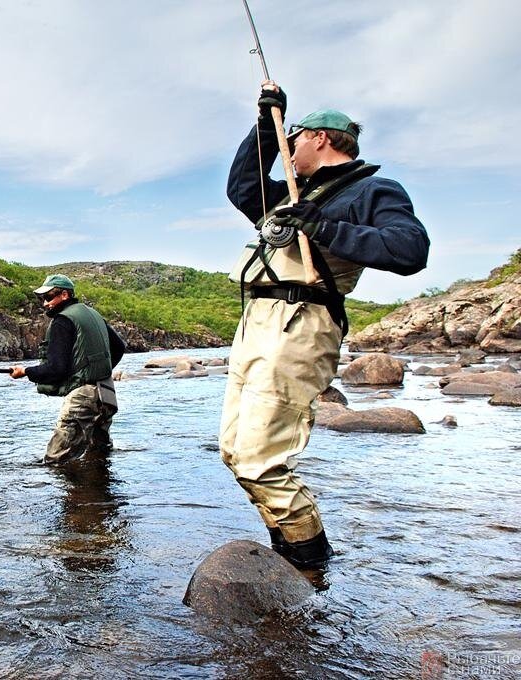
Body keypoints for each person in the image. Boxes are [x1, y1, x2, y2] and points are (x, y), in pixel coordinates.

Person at [221, 81, 430, 569]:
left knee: (258, 460)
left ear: (320, 138)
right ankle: (295, 555)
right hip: (256, 323)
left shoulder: (372, 189)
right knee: (234, 451)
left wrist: (325, 226)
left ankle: (308, 563)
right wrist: (266, 126)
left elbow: (409, 250)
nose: (289, 151)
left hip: (301, 321)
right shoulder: (294, 194)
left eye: (293, 140)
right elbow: (243, 188)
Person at [10, 274, 126, 465]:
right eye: (42, 299)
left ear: (64, 295)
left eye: (48, 297)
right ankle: (96, 494)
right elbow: (119, 347)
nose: (45, 304)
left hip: (83, 398)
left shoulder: (62, 321)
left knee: (55, 460)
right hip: (107, 393)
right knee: (98, 457)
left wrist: (25, 372)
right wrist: (95, 371)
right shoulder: (93, 314)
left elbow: (56, 369)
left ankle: (75, 495)